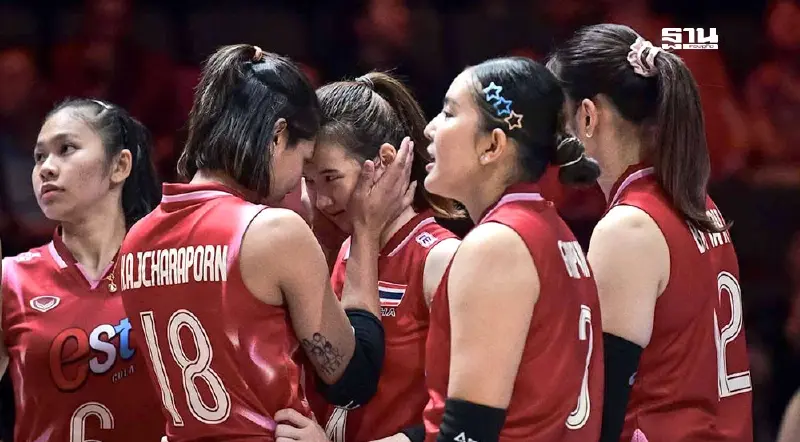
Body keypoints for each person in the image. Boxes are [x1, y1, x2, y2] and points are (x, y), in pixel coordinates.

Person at [117, 44, 414, 441]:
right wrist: (365, 231)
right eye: (303, 162)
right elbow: (352, 379)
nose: (296, 187)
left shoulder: (136, 240)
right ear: (278, 135)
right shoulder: (272, 231)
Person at [547, 23, 753, 442]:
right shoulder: (700, 205)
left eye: (557, 117)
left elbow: (598, 416)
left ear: (587, 116)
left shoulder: (628, 228)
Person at [417, 56, 603, 442]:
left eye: (448, 113)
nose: (429, 128)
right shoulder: (552, 231)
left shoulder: (497, 245)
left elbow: (469, 432)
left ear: (492, 145)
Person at [294, 72, 462, 442]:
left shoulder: (440, 259)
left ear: (385, 159)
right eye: (310, 181)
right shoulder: (345, 250)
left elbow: (463, 422)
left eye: (331, 178)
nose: (322, 201)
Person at [0, 98, 165, 441]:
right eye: (39, 157)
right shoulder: (10, 280)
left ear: (119, 166)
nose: (46, 168)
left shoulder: (167, 269)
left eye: (66, 149)